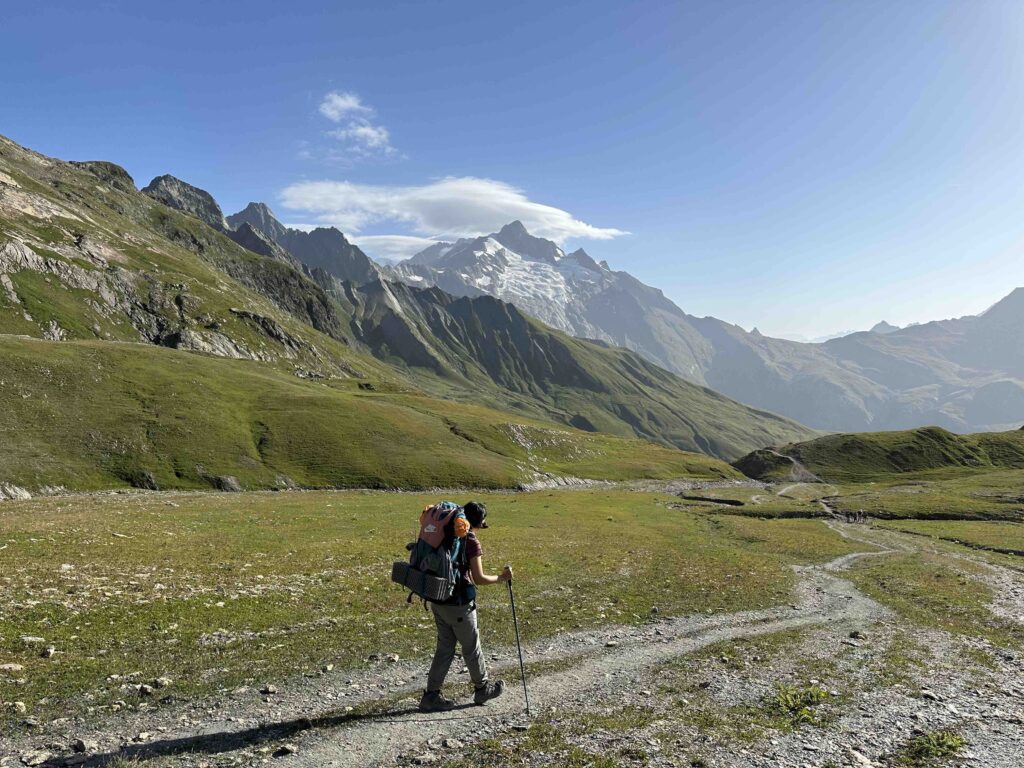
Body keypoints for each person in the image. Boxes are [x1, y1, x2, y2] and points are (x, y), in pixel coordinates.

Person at [419, 501, 512, 712]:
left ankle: (431, 696)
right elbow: (478, 578)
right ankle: (482, 688)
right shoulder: (470, 541)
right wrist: (502, 577)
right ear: (477, 522)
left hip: (438, 596)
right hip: (460, 603)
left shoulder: (447, 534)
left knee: (444, 648)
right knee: (471, 647)